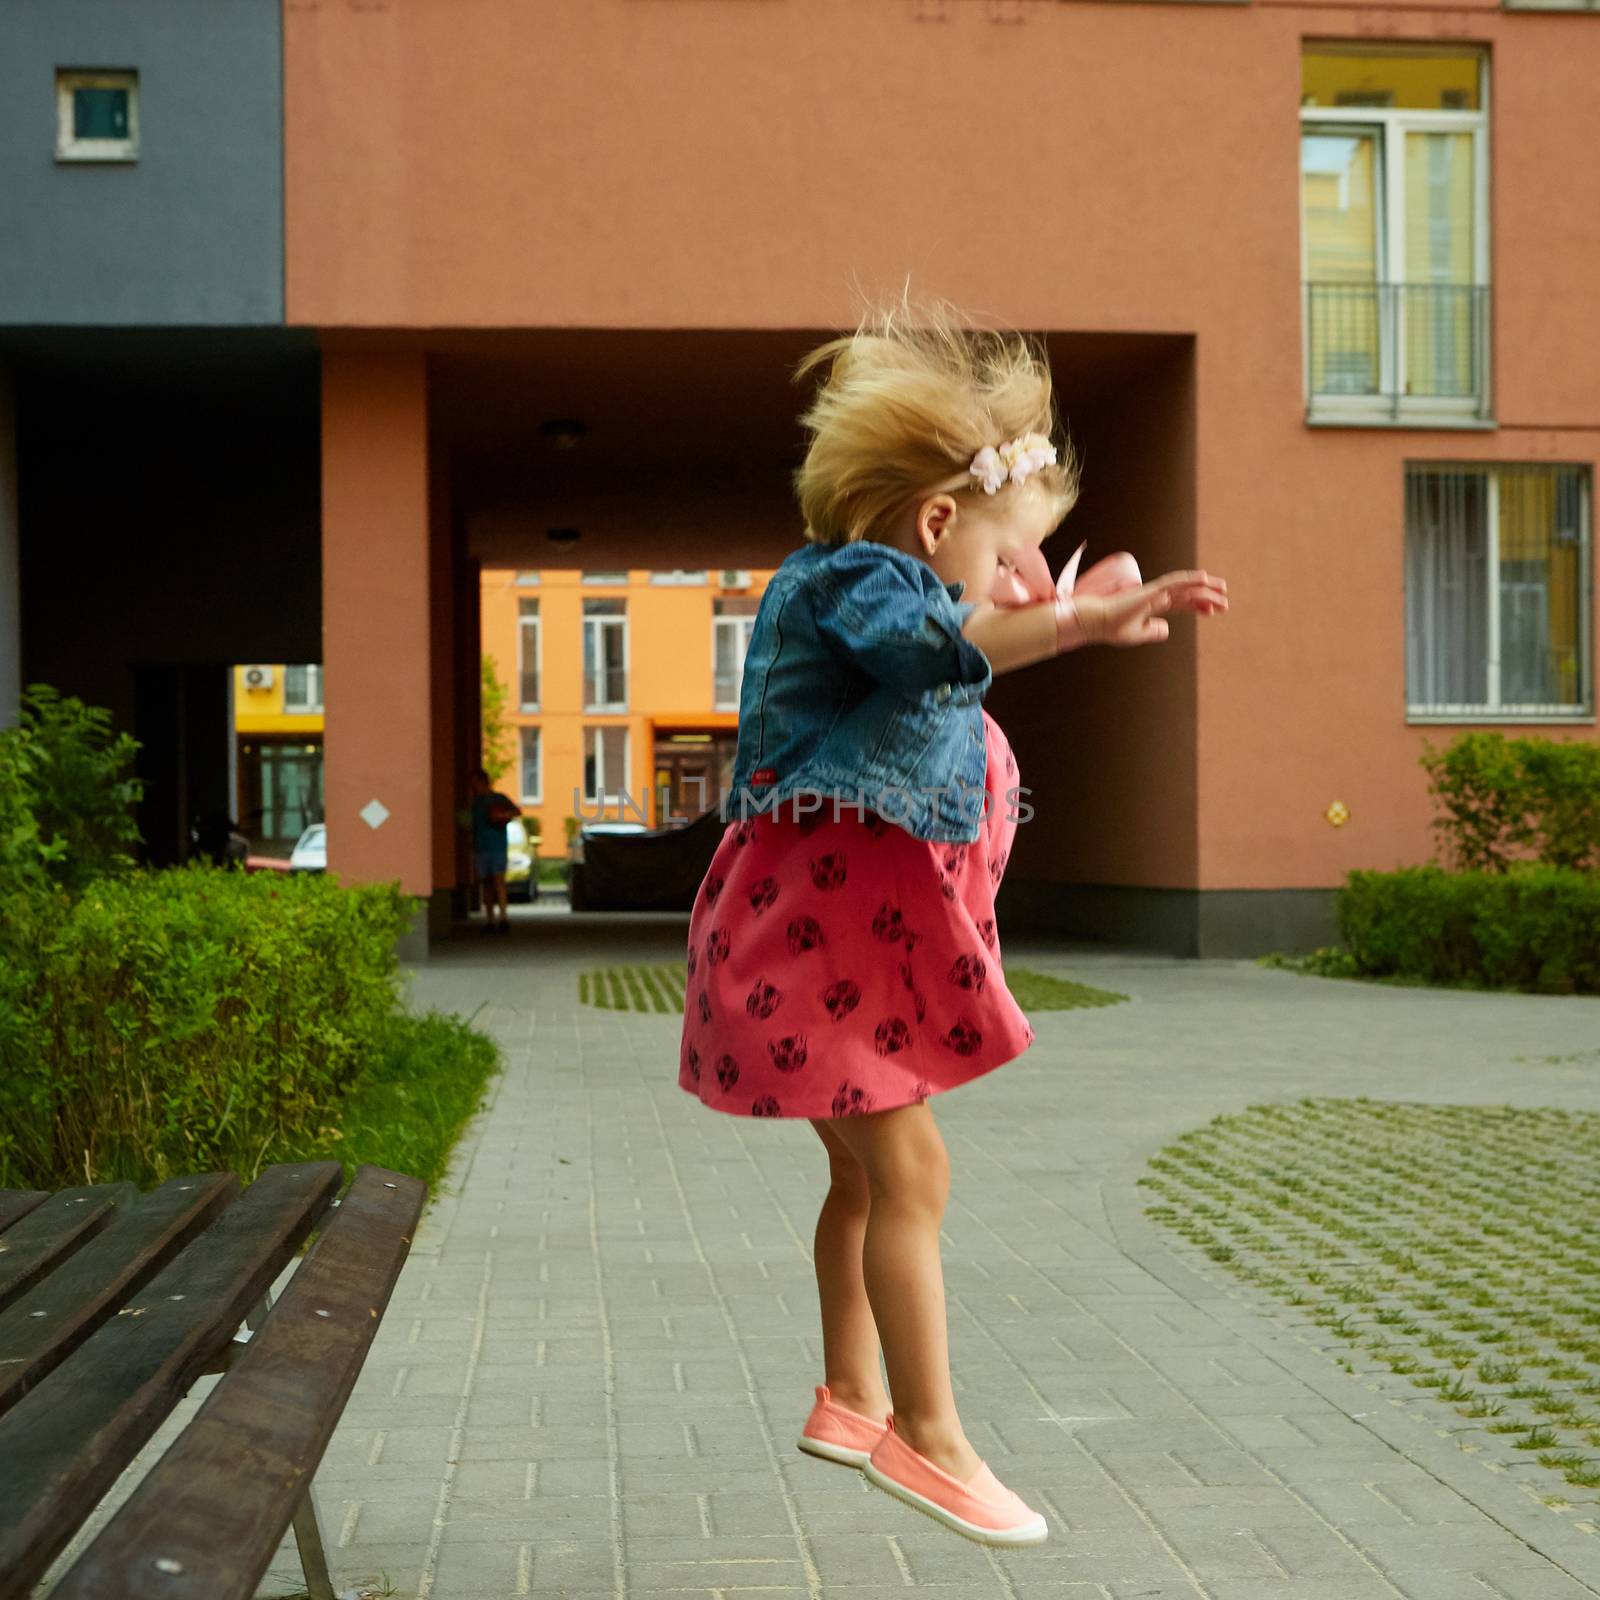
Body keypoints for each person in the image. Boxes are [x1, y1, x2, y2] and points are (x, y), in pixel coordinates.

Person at [677, 293, 1228, 1545]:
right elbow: (943, 646)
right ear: (933, 522)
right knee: (907, 1164)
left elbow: (963, 646)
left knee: (862, 1176)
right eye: (1001, 555)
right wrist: (1073, 620)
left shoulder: (855, 583)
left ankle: (848, 1391)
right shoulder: (865, 586)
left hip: (800, 934)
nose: (1019, 582)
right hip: (809, 931)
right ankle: (927, 1438)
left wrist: (1056, 596)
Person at [467, 767, 519, 934]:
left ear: (483, 782)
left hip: (497, 847)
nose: (473, 787)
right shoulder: (475, 803)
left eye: (475, 783)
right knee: (486, 885)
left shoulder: (499, 799)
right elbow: (470, 824)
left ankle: (503, 918)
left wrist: (503, 815)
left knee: (499, 882)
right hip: (481, 848)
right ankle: (490, 920)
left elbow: (516, 811)